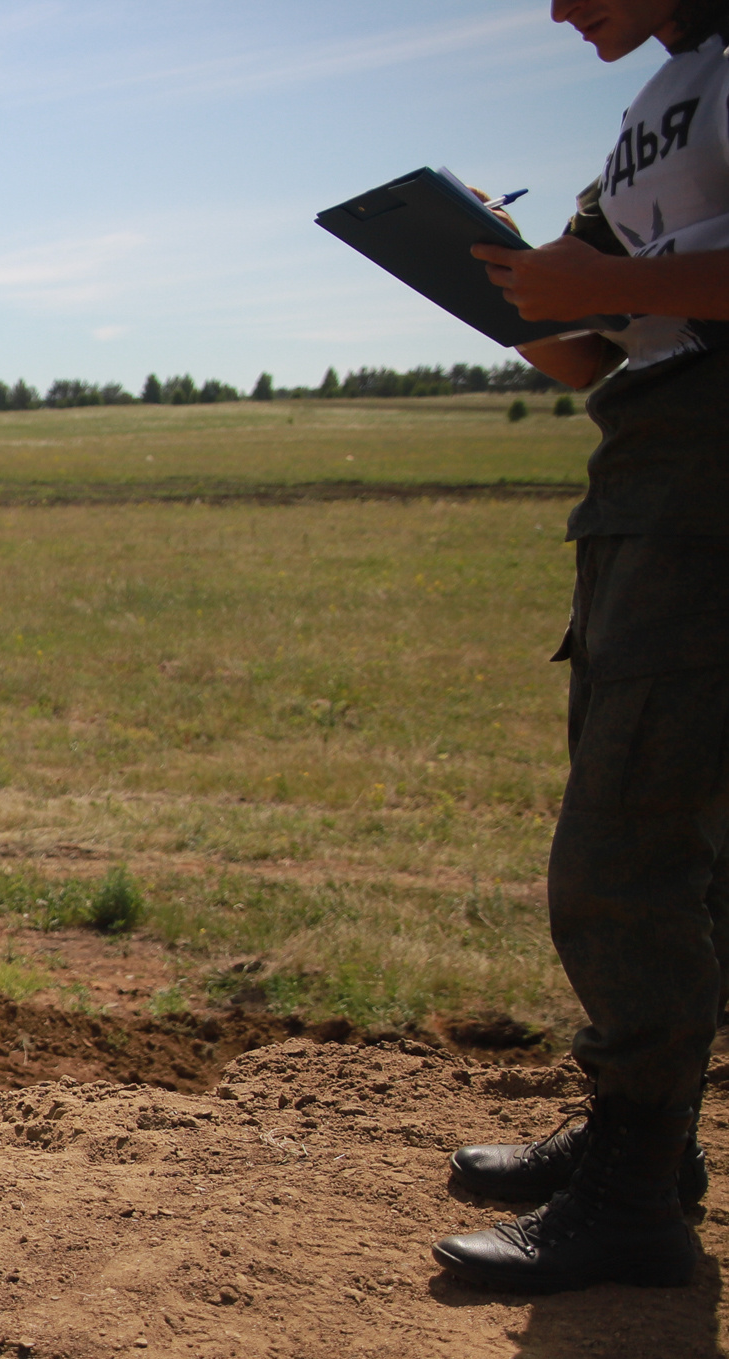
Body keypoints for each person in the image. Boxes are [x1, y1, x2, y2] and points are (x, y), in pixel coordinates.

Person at [432, 0, 728, 1291]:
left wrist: (605, 283)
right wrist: (489, 278)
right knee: (681, 840)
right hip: (647, 477)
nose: (557, 8)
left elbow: (626, 297)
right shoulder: (657, 109)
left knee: (624, 846)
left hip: (710, 491)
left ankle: (632, 1195)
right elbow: (581, 356)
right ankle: (651, 1146)